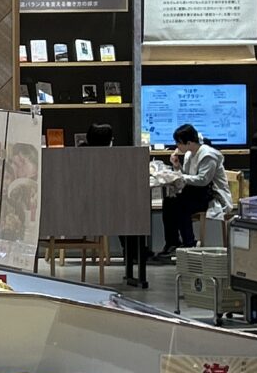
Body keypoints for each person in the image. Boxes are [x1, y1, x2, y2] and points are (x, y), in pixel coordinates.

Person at [81, 122, 151, 288]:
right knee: (128, 213)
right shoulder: (113, 158)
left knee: (123, 212)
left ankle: (132, 254)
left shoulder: (81, 155)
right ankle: (134, 254)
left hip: (85, 207)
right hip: (102, 209)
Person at [155, 121, 229, 260]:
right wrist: (177, 167)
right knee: (169, 202)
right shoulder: (190, 154)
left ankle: (189, 243)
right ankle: (173, 243)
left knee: (181, 204)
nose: (177, 146)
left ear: (188, 143)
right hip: (196, 192)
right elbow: (188, 176)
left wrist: (179, 176)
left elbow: (203, 180)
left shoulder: (208, 155)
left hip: (210, 194)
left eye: (179, 143)